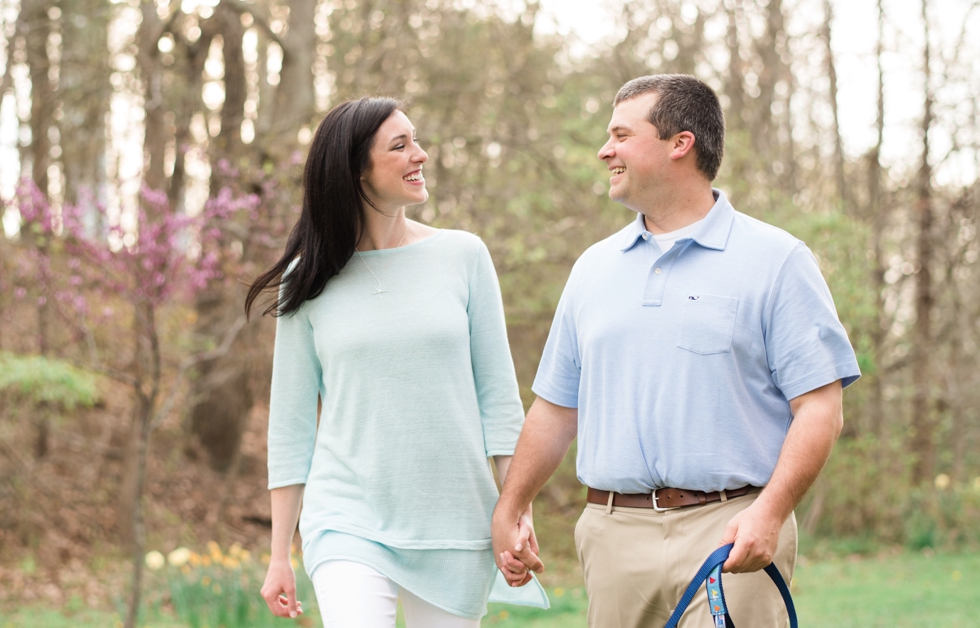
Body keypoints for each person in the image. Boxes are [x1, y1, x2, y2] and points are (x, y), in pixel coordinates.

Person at [491, 74, 861, 627]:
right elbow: (556, 407)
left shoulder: (777, 260)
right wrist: (512, 504)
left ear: (679, 143)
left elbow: (820, 407)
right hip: (612, 537)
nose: (604, 150)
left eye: (621, 134)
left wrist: (771, 513)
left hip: (732, 533)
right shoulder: (593, 268)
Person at [246, 97, 547, 627]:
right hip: (348, 519)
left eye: (417, 140)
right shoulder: (308, 279)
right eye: (401, 145)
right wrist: (278, 555)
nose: (422, 155)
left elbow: (498, 401)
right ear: (357, 169)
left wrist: (515, 508)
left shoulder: (464, 256)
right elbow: (291, 427)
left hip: (453, 520)